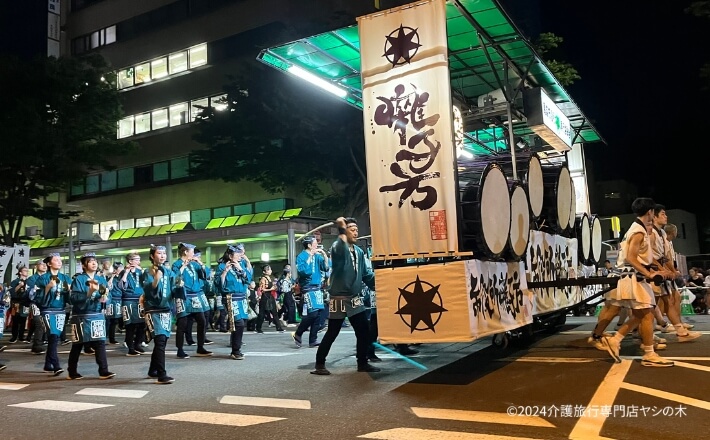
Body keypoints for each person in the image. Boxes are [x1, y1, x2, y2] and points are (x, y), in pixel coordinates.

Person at [598, 198, 674, 367]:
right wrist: (649, 273)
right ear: (650, 212)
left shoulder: (639, 228)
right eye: (655, 212)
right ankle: (648, 353)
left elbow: (641, 257)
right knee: (645, 314)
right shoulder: (638, 231)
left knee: (642, 314)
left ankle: (617, 339)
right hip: (633, 277)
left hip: (634, 277)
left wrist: (654, 271)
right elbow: (631, 258)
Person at [312, 217, 377, 375]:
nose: (356, 232)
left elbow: (366, 274)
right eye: (351, 229)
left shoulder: (359, 252)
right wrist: (340, 228)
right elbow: (340, 248)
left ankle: (362, 362)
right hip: (339, 299)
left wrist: (379, 285)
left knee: (363, 331)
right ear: (344, 231)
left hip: (355, 298)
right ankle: (320, 363)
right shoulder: (337, 247)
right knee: (332, 332)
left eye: (356, 230)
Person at [649, 205, 700, 341]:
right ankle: (641, 337)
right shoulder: (649, 232)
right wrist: (662, 269)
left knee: (667, 300)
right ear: (654, 216)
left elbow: (665, 257)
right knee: (646, 307)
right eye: (663, 214)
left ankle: (679, 330)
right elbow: (648, 256)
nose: (666, 216)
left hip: (659, 271)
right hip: (649, 272)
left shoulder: (662, 234)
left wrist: (671, 270)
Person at [66, 253, 115, 380]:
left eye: (95, 261)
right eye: (90, 261)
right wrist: (90, 292)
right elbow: (74, 298)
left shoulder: (101, 279)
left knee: (100, 343)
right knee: (78, 344)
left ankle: (104, 370)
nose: (94, 263)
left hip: (97, 314)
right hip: (82, 315)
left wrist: (105, 299)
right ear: (83, 265)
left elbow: (108, 295)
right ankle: (72, 371)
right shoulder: (79, 279)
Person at [33, 253, 71, 376]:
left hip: (60, 309)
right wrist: (48, 287)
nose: (59, 262)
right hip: (47, 309)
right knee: (53, 336)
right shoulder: (43, 279)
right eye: (56, 260)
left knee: (54, 338)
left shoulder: (65, 278)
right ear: (49, 263)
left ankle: (47, 364)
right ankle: (56, 365)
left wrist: (70, 292)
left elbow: (70, 298)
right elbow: (37, 298)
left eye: (60, 260)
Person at [142, 244, 176, 384]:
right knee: (160, 340)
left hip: (166, 310)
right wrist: (156, 279)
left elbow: (174, 288)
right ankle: (162, 374)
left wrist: (179, 289)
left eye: (164, 253)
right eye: (159, 253)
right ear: (152, 256)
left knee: (162, 341)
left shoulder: (169, 272)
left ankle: (152, 370)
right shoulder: (147, 272)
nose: (162, 255)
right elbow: (148, 291)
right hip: (153, 310)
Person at [172, 242, 212, 359]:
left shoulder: (194, 264)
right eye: (192, 252)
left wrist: (200, 263)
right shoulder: (177, 264)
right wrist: (183, 267)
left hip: (195, 295)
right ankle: (180, 349)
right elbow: (174, 278)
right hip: (183, 296)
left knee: (202, 320)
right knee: (182, 323)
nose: (194, 254)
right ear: (185, 252)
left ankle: (200, 347)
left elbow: (205, 275)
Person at [215, 244, 252, 360]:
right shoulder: (222, 266)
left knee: (242, 322)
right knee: (238, 323)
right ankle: (236, 350)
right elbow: (217, 283)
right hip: (231, 297)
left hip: (242, 297)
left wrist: (241, 269)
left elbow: (248, 280)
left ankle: (236, 346)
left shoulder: (240, 265)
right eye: (238, 254)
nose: (241, 255)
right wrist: (225, 272)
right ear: (231, 256)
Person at [292, 236, 328, 349]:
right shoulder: (301, 256)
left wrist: (324, 255)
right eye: (315, 243)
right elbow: (303, 271)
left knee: (318, 314)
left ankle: (313, 339)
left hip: (317, 288)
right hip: (308, 288)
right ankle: (299, 332)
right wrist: (311, 256)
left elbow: (325, 268)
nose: (316, 245)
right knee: (312, 314)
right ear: (309, 245)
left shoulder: (317, 256)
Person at [119, 252, 146, 356]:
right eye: (136, 259)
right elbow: (122, 286)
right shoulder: (124, 272)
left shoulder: (140, 271)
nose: (139, 261)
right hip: (128, 300)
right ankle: (131, 348)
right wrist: (126, 272)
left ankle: (137, 344)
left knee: (142, 324)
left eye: (139, 259)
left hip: (140, 300)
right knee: (130, 325)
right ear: (130, 261)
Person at [26, 260, 48, 354]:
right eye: (41, 264)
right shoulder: (32, 279)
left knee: (44, 323)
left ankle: (40, 341)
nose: (44, 266)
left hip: (47, 303)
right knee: (39, 323)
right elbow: (30, 293)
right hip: (36, 303)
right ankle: (36, 345)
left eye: (45, 264)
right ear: (36, 266)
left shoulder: (48, 277)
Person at [255, 265, 284, 333]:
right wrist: (271, 289)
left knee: (274, 312)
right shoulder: (263, 279)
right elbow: (262, 289)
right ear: (264, 272)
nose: (270, 271)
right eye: (268, 269)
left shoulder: (270, 278)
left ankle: (279, 327)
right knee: (262, 313)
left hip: (270, 296)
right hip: (265, 297)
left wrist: (274, 288)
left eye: (270, 269)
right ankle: (258, 328)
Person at [9, 263, 31, 343]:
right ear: (20, 272)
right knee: (15, 320)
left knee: (23, 319)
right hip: (16, 303)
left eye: (27, 271)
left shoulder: (29, 281)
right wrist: (19, 286)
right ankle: (14, 336)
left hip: (25, 303)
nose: (26, 272)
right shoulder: (15, 281)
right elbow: (11, 292)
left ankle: (21, 336)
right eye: (25, 271)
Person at [105, 262, 124, 345]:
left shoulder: (122, 277)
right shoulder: (110, 277)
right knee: (110, 320)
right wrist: (112, 276)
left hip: (119, 300)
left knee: (115, 320)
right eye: (120, 268)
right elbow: (108, 287)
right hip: (112, 301)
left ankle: (111, 338)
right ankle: (108, 338)